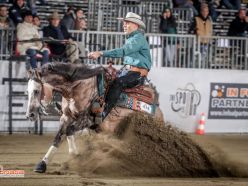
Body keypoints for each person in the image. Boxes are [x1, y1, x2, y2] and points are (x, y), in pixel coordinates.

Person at [88, 12, 151, 120]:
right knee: (101, 74)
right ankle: (94, 106)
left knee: (118, 82)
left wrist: (101, 53)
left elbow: (122, 51)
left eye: (127, 23)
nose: (124, 25)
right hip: (128, 72)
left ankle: (103, 115)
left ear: (136, 25)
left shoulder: (138, 38)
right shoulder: (132, 38)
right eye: (124, 23)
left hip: (137, 75)